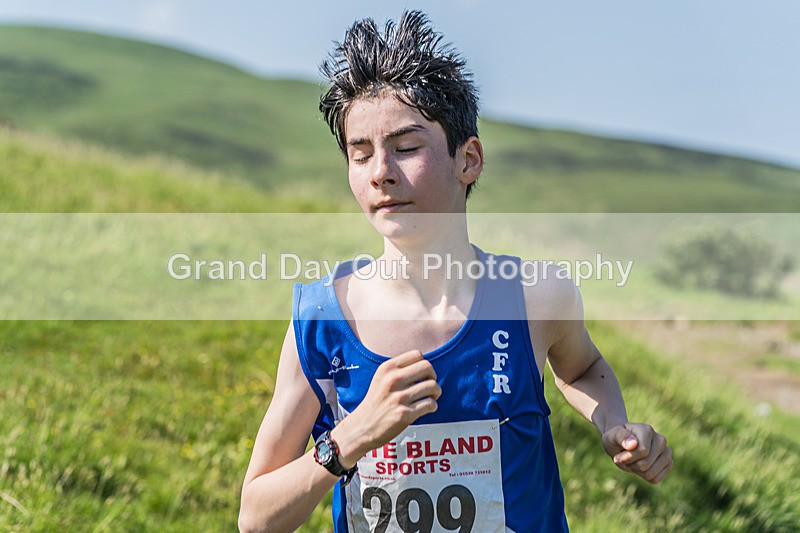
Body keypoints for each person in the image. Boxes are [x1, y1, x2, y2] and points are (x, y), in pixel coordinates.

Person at [239, 10, 672, 533]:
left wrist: (613, 424)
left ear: (468, 160)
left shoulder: (536, 298)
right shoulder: (320, 321)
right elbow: (256, 519)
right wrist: (352, 439)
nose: (380, 173)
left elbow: (581, 369)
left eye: (406, 148)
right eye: (360, 154)